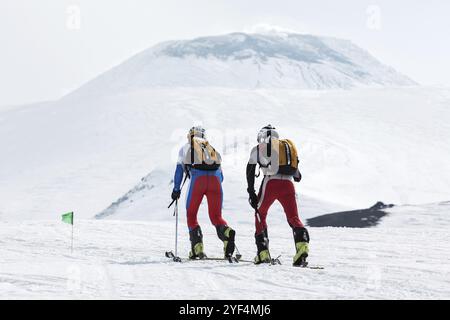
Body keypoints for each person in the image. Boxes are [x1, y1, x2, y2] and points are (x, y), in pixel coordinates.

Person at [246, 125, 310, 266]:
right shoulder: (285, 149)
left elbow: (250, 171)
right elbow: (298, 176)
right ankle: (302, 246)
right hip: (288, 184)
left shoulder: (258, 148)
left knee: (260, 214)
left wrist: (251, 191)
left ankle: (263, 252)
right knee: (294, 218)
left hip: (271, 182)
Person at [171, 125, 236, 260]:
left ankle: (197, 247)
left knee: (191, 214)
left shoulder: (185, 148)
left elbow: (179, 171)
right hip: (215, 182)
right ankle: (227, 233)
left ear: (190, 135)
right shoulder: (210, 149)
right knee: (216, 216)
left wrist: (176, 190)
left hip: (197, 180)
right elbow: (221, 177)